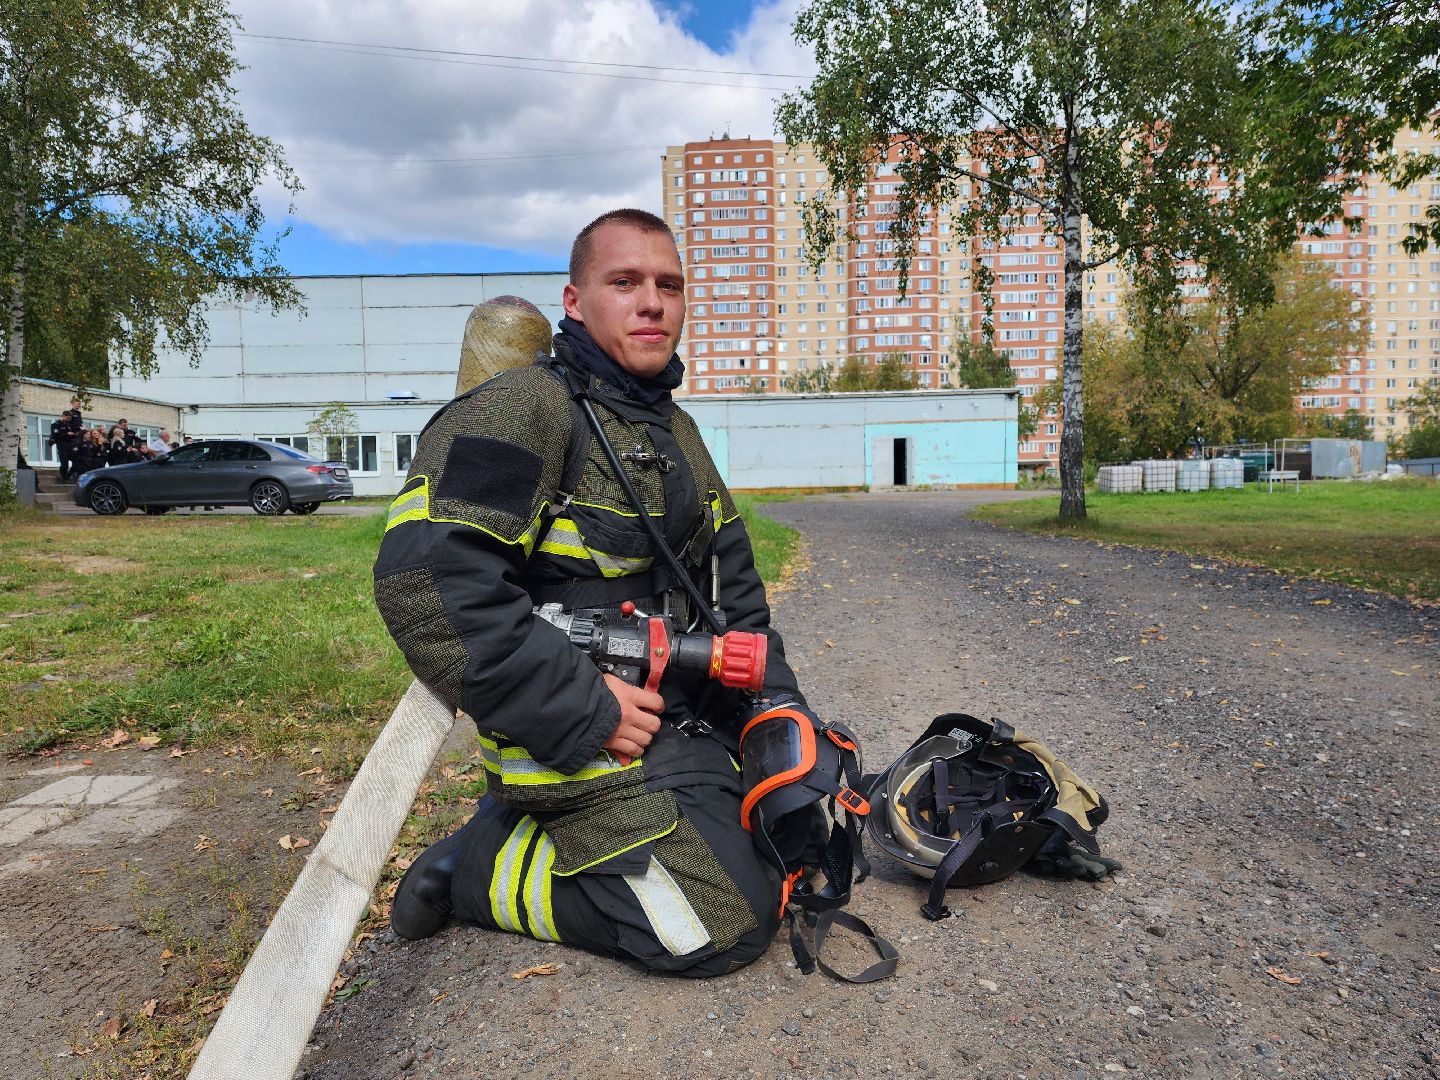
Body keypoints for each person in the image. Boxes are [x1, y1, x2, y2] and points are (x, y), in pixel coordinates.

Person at [374, 209, 823, 977]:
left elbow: (735, 595)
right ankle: (478, 864)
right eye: (625, 282)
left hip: (675, 726)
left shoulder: (674, 430)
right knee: (723, 924)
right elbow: (428, 582)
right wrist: (588, 711)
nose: (653, 302)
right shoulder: (523, 412)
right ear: (574, 301)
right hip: (573, 745)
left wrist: (776, 721)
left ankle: (642, 829)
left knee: (799, 842)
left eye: (669, 285)